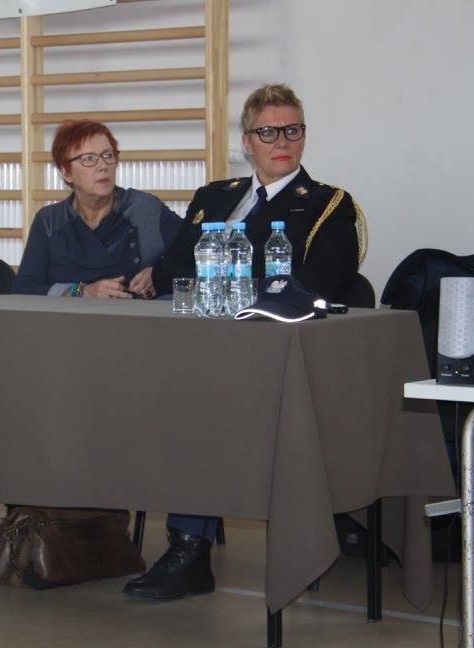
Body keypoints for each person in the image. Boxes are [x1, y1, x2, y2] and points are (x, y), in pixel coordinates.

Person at [123, 83, 362, 602]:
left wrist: (222, 282)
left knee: (200, 409)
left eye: (293, 130)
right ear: (247, 141)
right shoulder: (215, 197)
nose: (283, 141)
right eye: (268, 132)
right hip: (196, 350)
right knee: (127, 393)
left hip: (272, 359)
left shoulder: (328, 205)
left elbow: (317, 285)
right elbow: (173, 269)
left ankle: (189, 549)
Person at [12, 119, 181, 298]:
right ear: (66, 172)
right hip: (69, 316)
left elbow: (195, 255)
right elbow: (23, 289)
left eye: (108, 155)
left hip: (137, 315)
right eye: (89, 159)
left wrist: (160, 273)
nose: (103, 166)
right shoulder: (49, 220)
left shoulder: (144, 208)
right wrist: (81, 291)